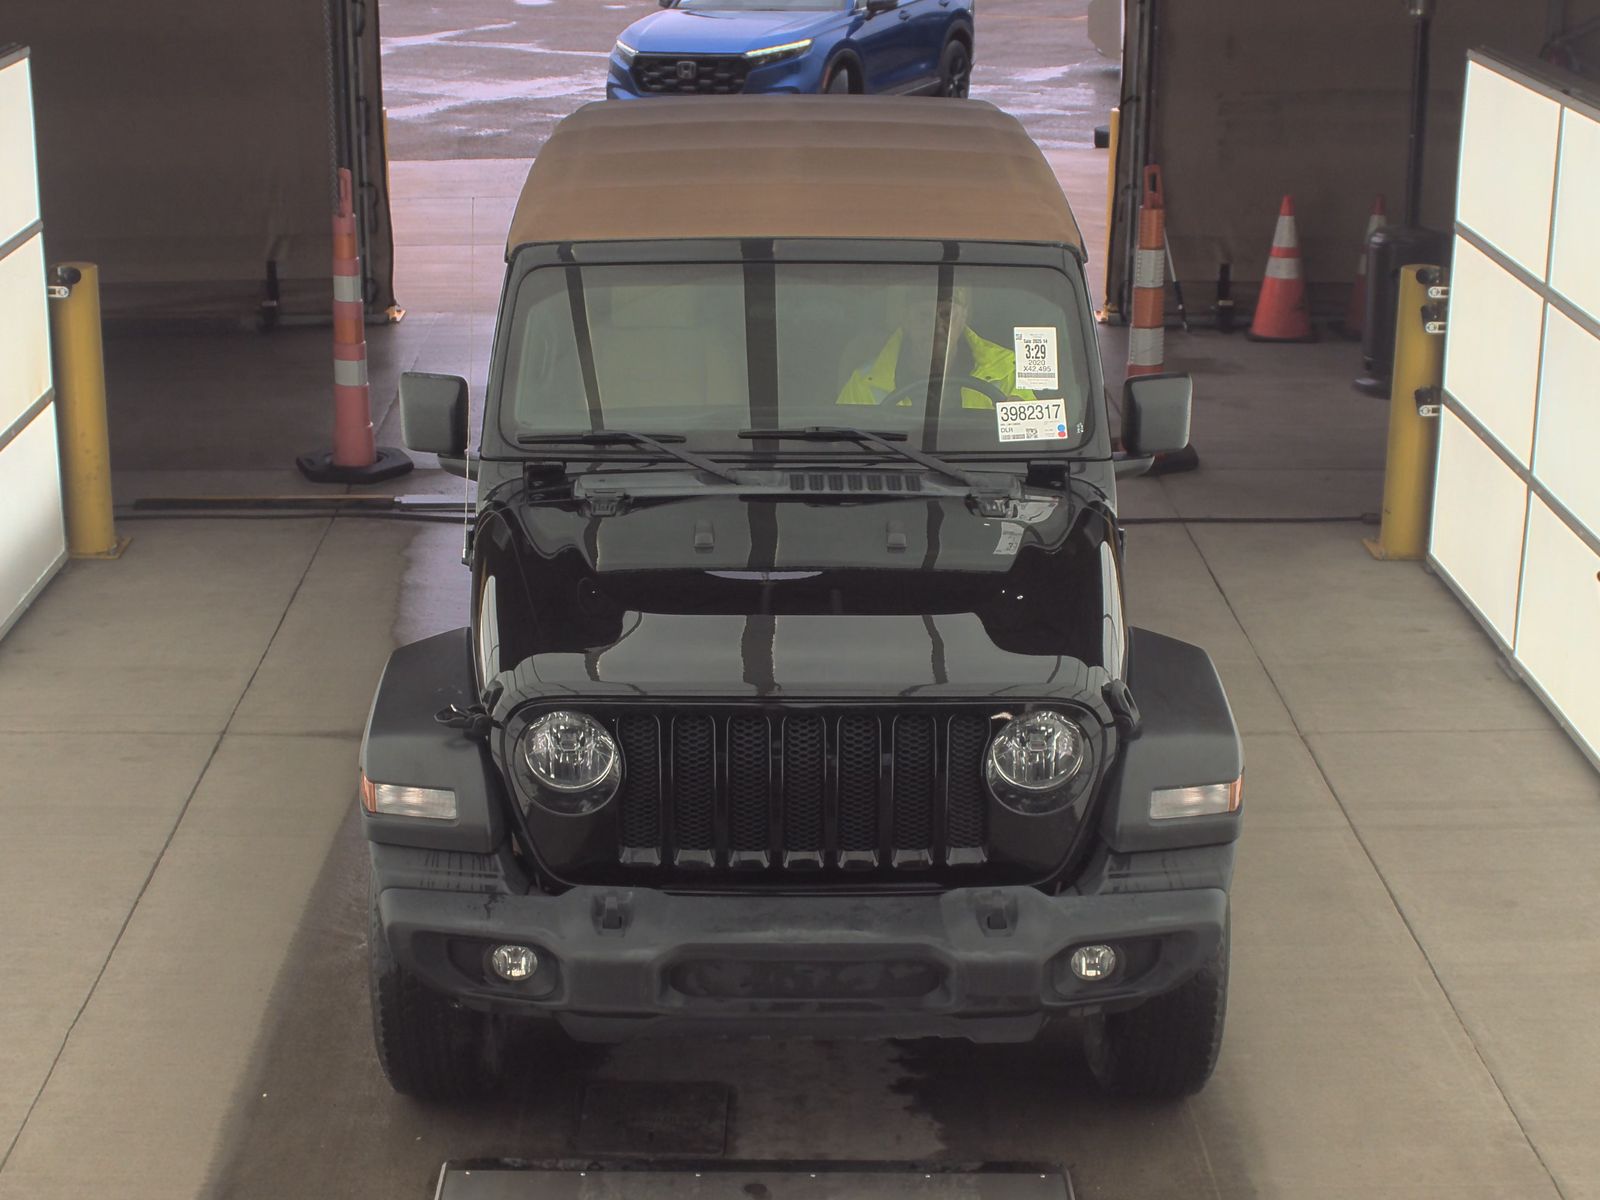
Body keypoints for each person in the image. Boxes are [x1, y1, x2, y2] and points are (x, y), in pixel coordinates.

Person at [836, 284, 1034, 410]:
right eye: (924, 316)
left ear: (963, 318)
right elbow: (847, 448)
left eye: (946, 315)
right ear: (906, 319)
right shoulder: (864, 384)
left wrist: (1022, 420)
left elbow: (1038, 441)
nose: (936, 327)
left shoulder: (1008, 371)